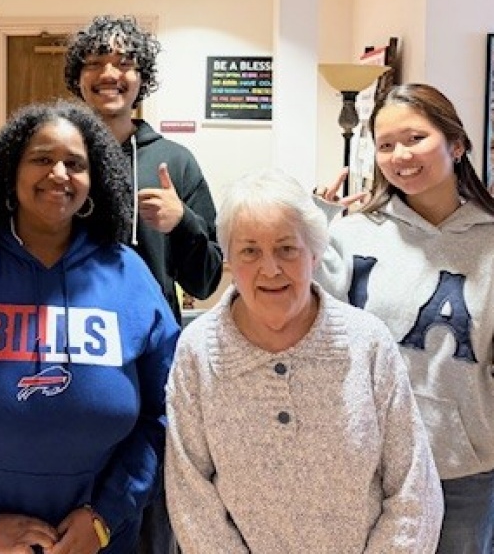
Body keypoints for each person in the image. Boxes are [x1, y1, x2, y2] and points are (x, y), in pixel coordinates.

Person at [0, 100, 181, 554]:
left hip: (99, 542)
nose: (59, 173)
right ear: (11, 171)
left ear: (93, 177)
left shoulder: (129, 277)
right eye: (42, 158)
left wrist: (106, 514)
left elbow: (166, 412)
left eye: (75, 163)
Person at [166, 167, 444, 553]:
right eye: (250, 250)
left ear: (313, 253)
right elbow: (189, 494)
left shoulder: (367, 342)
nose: (270, 268)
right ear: (229, 256)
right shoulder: (198, 350)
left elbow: (414, 488)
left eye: (286, 248)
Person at [65, 13, 222, 554]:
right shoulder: (60, 159)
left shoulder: (173, 162)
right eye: (95, 62)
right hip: (69, 351)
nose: (110, 73)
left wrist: (185, 223)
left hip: (150, 359)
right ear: (78, 77)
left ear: (142, 78)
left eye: (124, 63)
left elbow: (207, 279)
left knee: (148, 493)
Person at [316, 83, 494, 553]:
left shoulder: (490, 244)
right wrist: (309, 230)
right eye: (386, 144)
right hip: (362, 467)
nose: (400, 155)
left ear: (456, 144)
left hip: (462, 473)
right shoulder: (350, 236)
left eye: (415, 138)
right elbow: (306, 330)